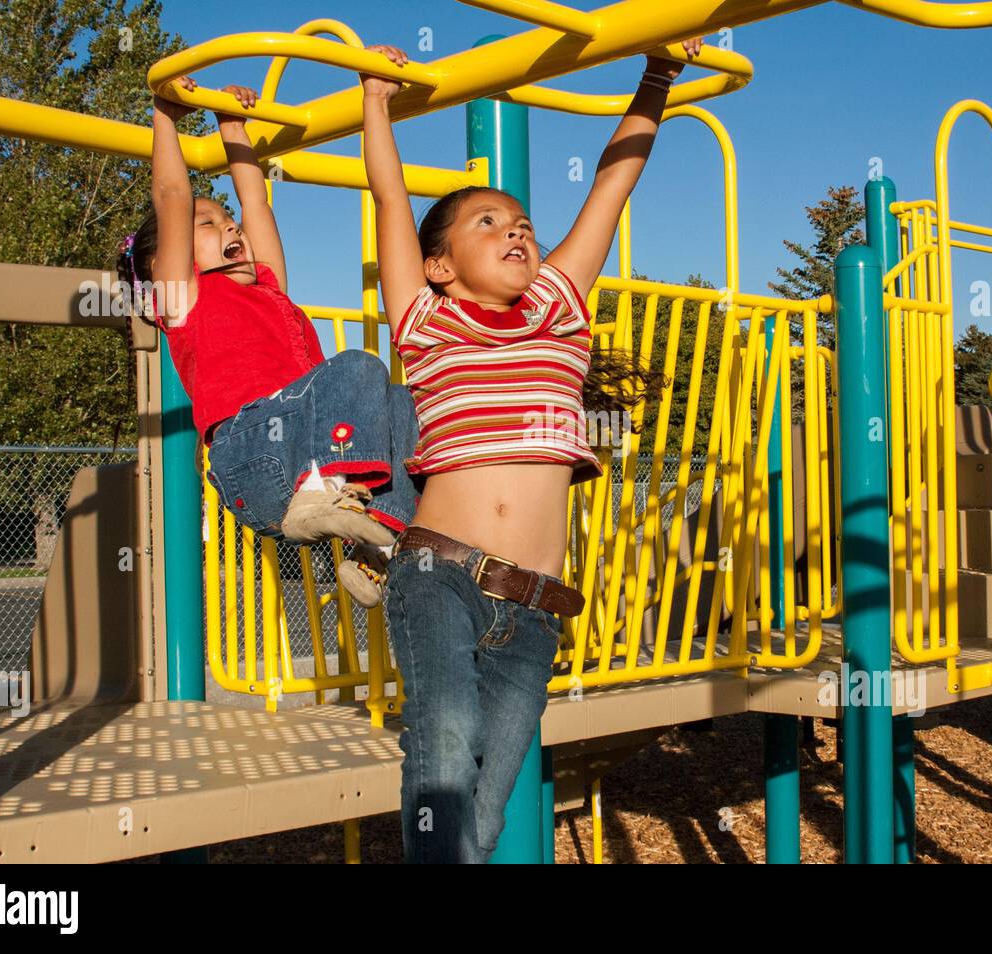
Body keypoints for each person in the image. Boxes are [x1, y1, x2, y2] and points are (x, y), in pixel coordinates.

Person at [360, 37, 699, 862]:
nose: (516, 233)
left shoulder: (559, 305)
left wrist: (656, 77)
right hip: (441, 576)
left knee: (487, 801)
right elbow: (389, 193)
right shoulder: (425, 319)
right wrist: (376, 100)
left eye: (522, 225)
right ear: (439, 266)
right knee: (441, 753)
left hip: (540, 605)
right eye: (488, 223)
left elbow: (614, 185)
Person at [119, 77, 419, 606]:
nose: (231, 225)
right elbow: (172, 195)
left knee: (399, 401)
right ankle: (316, 495)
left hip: (302, 446)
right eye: (207, 223)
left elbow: (255, 198)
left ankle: (374, 551)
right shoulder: (183, 297)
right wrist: (165, 112)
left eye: (228, 219)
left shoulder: (268, 286)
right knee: (357, 365)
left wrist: (232, 125)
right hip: (252, 454)